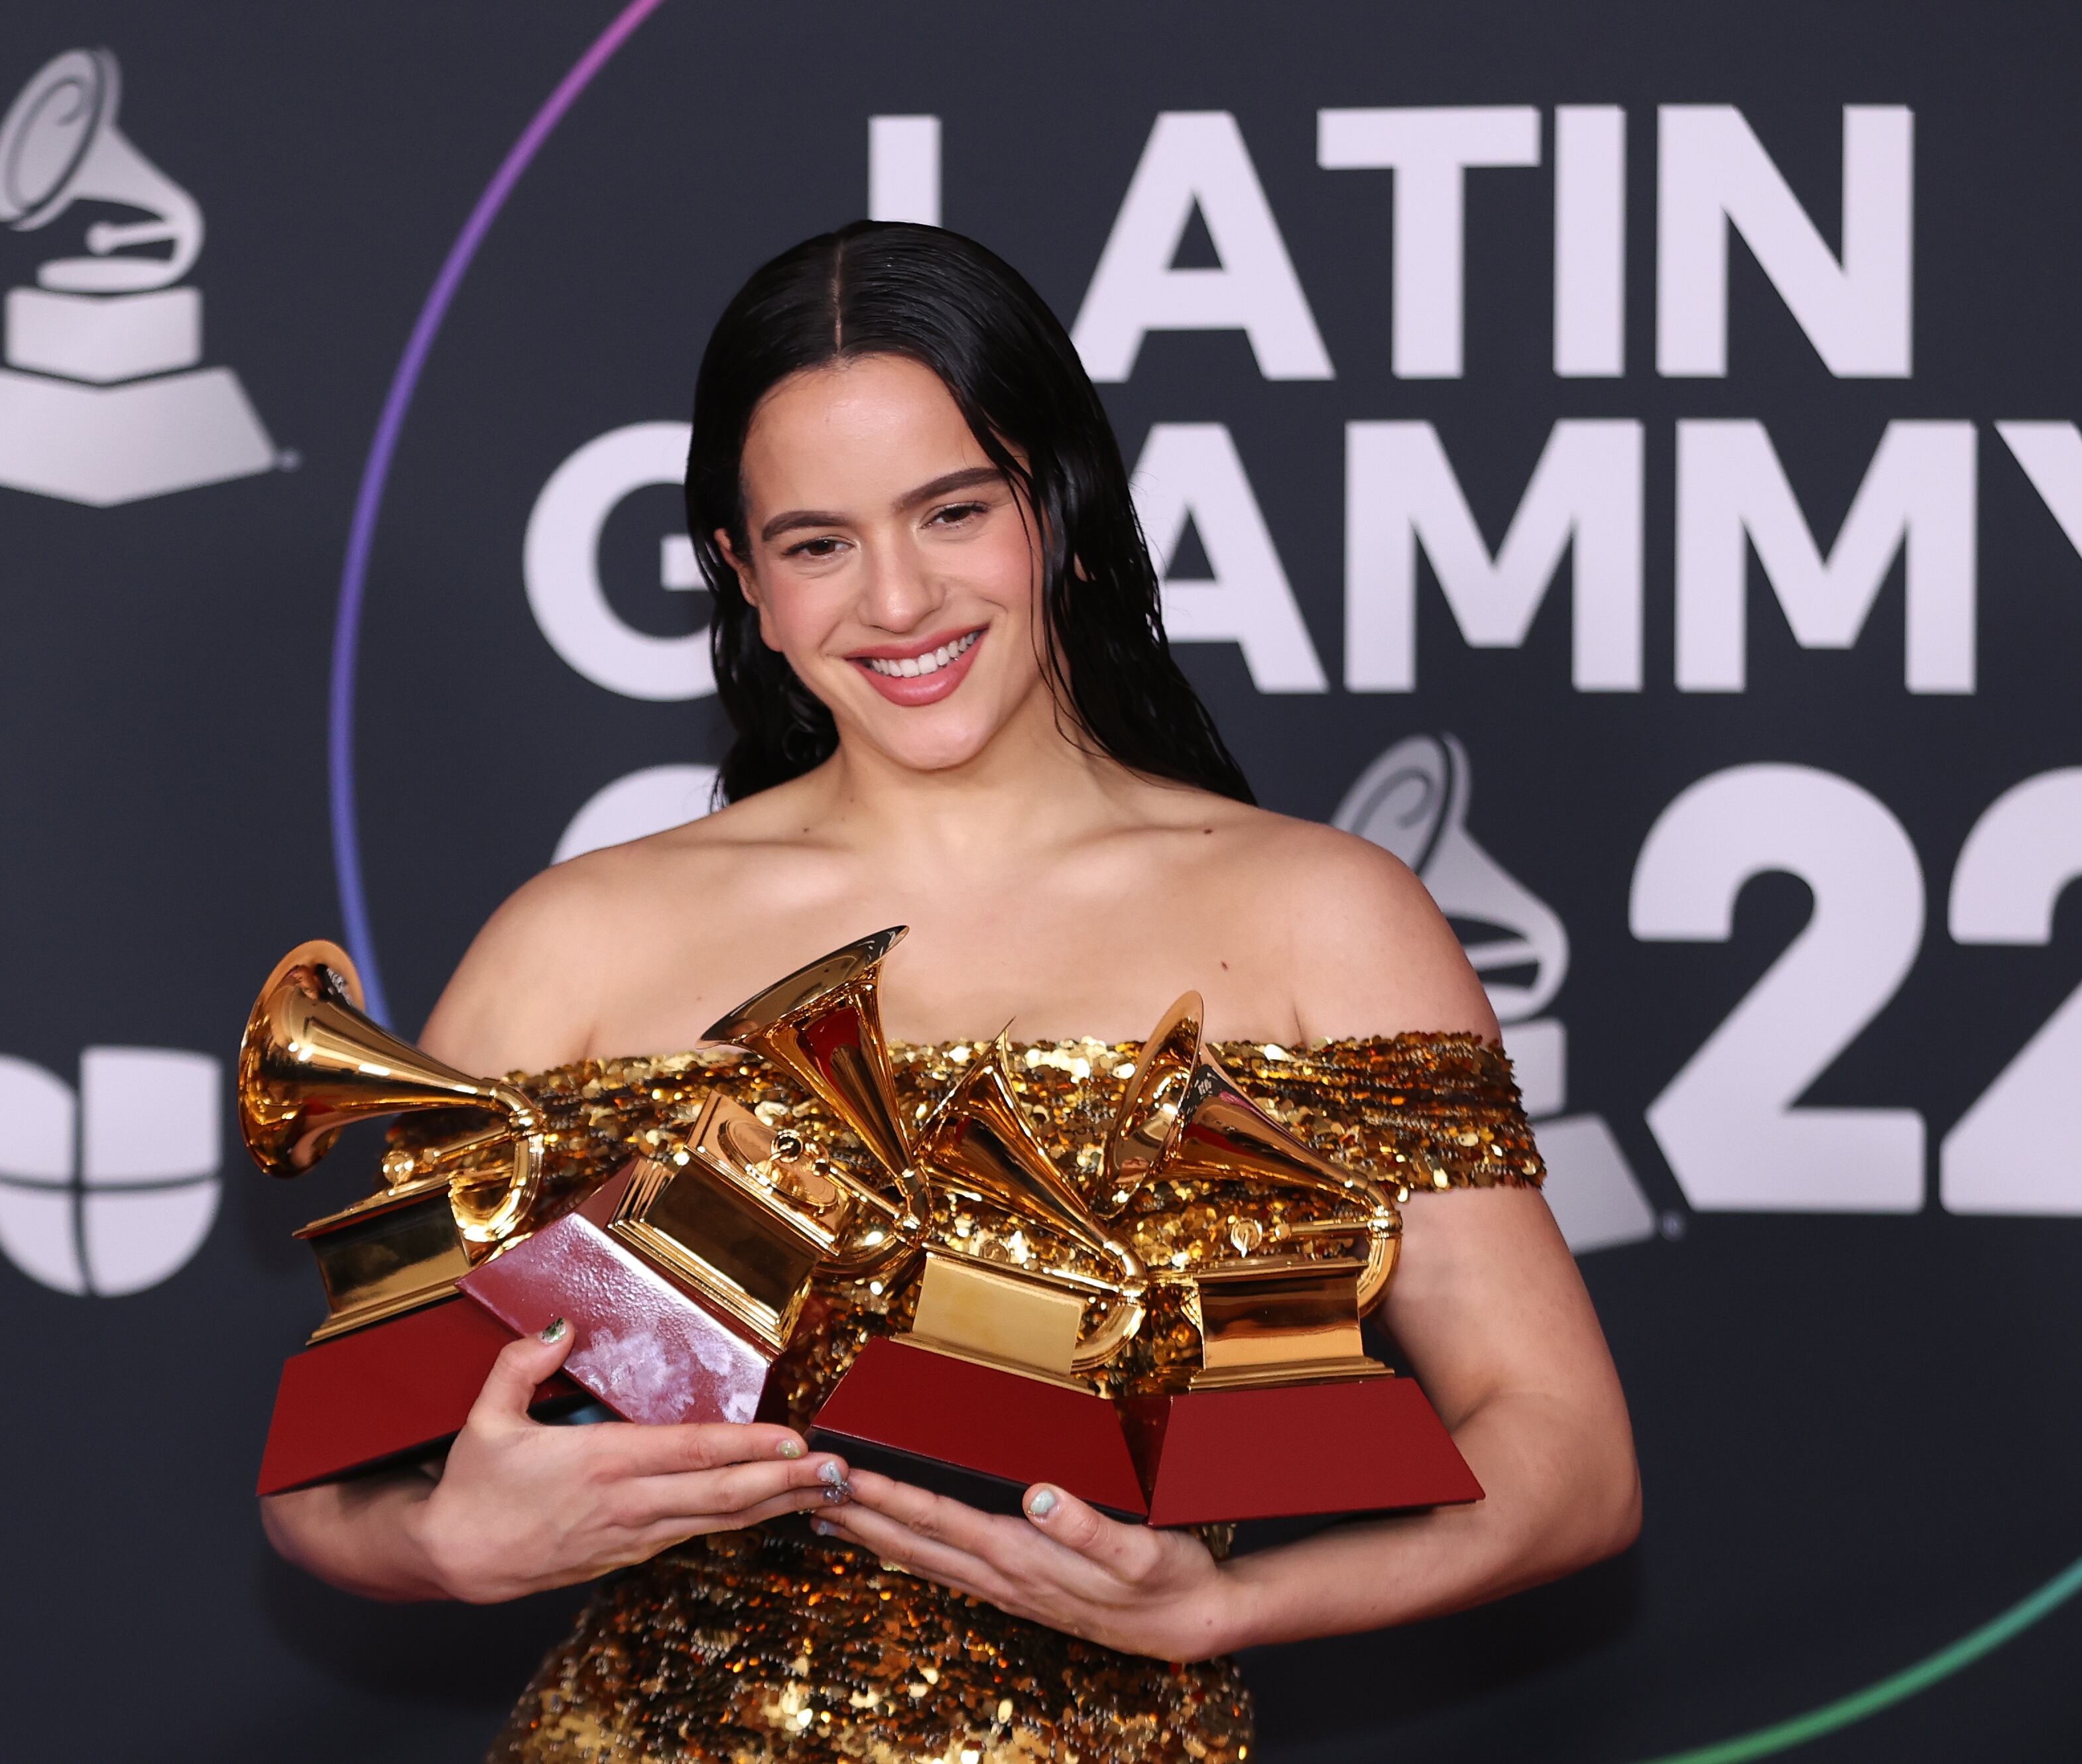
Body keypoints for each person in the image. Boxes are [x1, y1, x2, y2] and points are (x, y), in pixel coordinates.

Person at [261, 221, 1640, 1763]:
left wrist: (1212, 1609)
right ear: (744, 576)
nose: (897, 599)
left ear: (1055, 507)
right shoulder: (576, 935)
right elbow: (322, 1481)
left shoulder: (1325, 917)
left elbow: (1567, 1463)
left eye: (952, 509)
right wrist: (451, 1541)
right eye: (817, 541)